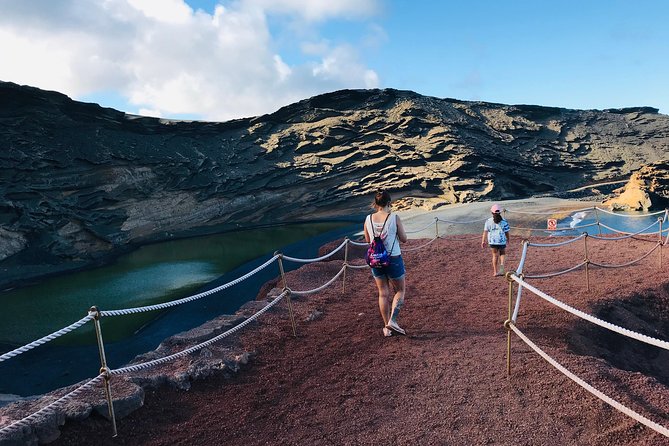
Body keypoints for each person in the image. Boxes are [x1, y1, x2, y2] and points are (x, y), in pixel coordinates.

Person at [363, 190, 409, 337]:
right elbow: (404, 238)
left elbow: (367, 240)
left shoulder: (368, 218)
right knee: (400, 291)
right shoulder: (394, 217)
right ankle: (393, 321)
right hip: (393, 258)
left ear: (375, 204)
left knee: (383, 293)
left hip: (375, 260)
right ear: (389, 203)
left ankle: (387, 328)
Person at [481, 204, 510, 277]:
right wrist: (508, 239)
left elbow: (485, 231)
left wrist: (483, 241)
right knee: (502, 254)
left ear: (492, 212)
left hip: (492, 241)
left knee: (494, 256)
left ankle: (495, 272)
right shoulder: (504, 221)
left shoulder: (488, 221)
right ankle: (502, 268)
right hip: (501, 240)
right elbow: (506, 231)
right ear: (500, 212)